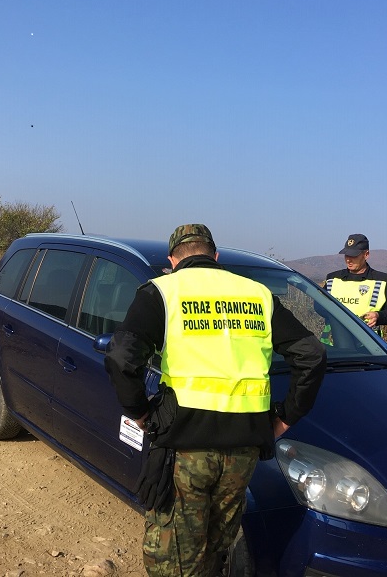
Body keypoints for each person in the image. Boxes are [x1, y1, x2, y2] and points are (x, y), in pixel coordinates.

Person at [104, 224, 326, 577]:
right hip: (244, 447)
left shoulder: (164, 291)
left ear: (173, 259)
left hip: (186, 444)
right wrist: (286, 417)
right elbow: (312, 355)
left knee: (174, 557)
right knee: (216, 545)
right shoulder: (258, 294)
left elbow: (121, 357)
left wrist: (140, 413)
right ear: (215, 256)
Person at [324, 233, 387, 337]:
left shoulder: (381, 280)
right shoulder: (332, 279)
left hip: (366, 343)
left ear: (366, 255)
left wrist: (378, 316)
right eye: (346, 255)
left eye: (354, 255)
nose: (348, 259)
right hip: (332, 342)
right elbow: (318, 306)